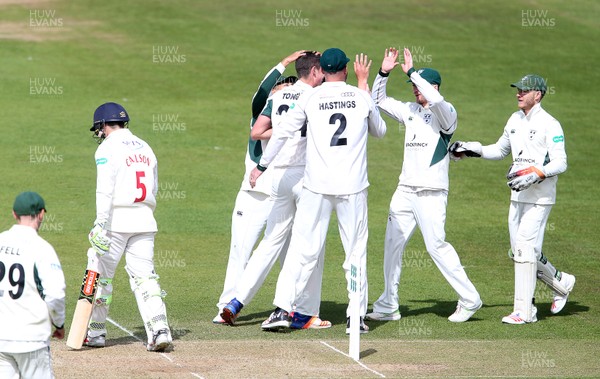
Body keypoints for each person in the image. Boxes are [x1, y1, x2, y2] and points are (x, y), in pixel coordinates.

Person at [250, 48, 387, 333]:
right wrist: (364, 86)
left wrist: (262, 166)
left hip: (317, 186)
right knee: (355, 252)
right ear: (346, 70)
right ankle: (355, 317)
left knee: (303, 249)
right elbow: (380, 131)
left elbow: (284, 132)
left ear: (321, 71)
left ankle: (282, 310)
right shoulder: (361, 96)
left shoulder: (310, 97)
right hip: (353, 187)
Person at [366, 47, 482, 324]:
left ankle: (470, 299)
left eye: (420, 87)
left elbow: (436, 100)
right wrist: (383, 72)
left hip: (431, 193)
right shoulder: (409, 111)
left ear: (433, 86)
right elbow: (378, 100)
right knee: (392, 245)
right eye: (414, 87)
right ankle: (388, 304)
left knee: (436, 246)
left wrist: (413, 72)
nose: (416, 92)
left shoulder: (447, 114)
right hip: (405, 190)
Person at [449, 74, 575, 324]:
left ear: (537, 95)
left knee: (525, 249)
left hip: (540, 197)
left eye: (524, 90)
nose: (518, 93)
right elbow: (500, 149)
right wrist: (473, 150)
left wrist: (537, 173)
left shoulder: (551, 124)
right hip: (517, 196)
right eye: (517, 89)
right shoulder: (514, 119)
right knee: (519, 252)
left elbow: (561, 162)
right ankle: (561, 282)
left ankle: (525, 311)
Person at [221, 51, 332, 329]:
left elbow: (258, 130)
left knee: (269, 243)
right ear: (316, 71)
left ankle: (235, 301)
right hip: (306, 176)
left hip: (277, 178)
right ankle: (299, 312)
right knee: (309, 246)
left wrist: (262, 164)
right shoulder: (316, 97)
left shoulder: (278, 97)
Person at [86, 102, 172, 351]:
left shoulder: (106, 148)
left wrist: (100, 224)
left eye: (98, 128)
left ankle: (96, 333)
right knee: (145, 277)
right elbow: (153, 187)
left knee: (100, 275)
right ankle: (160, 329)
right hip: (145, 219)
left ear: (103, 125)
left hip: (116, 222)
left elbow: (104, 189)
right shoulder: (146, 147)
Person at [0, 191, 66, 379]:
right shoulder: (42, 248)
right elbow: (55, 294)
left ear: (14, 214)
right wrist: (59, 324)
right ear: (42, 214)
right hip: (31, 339)